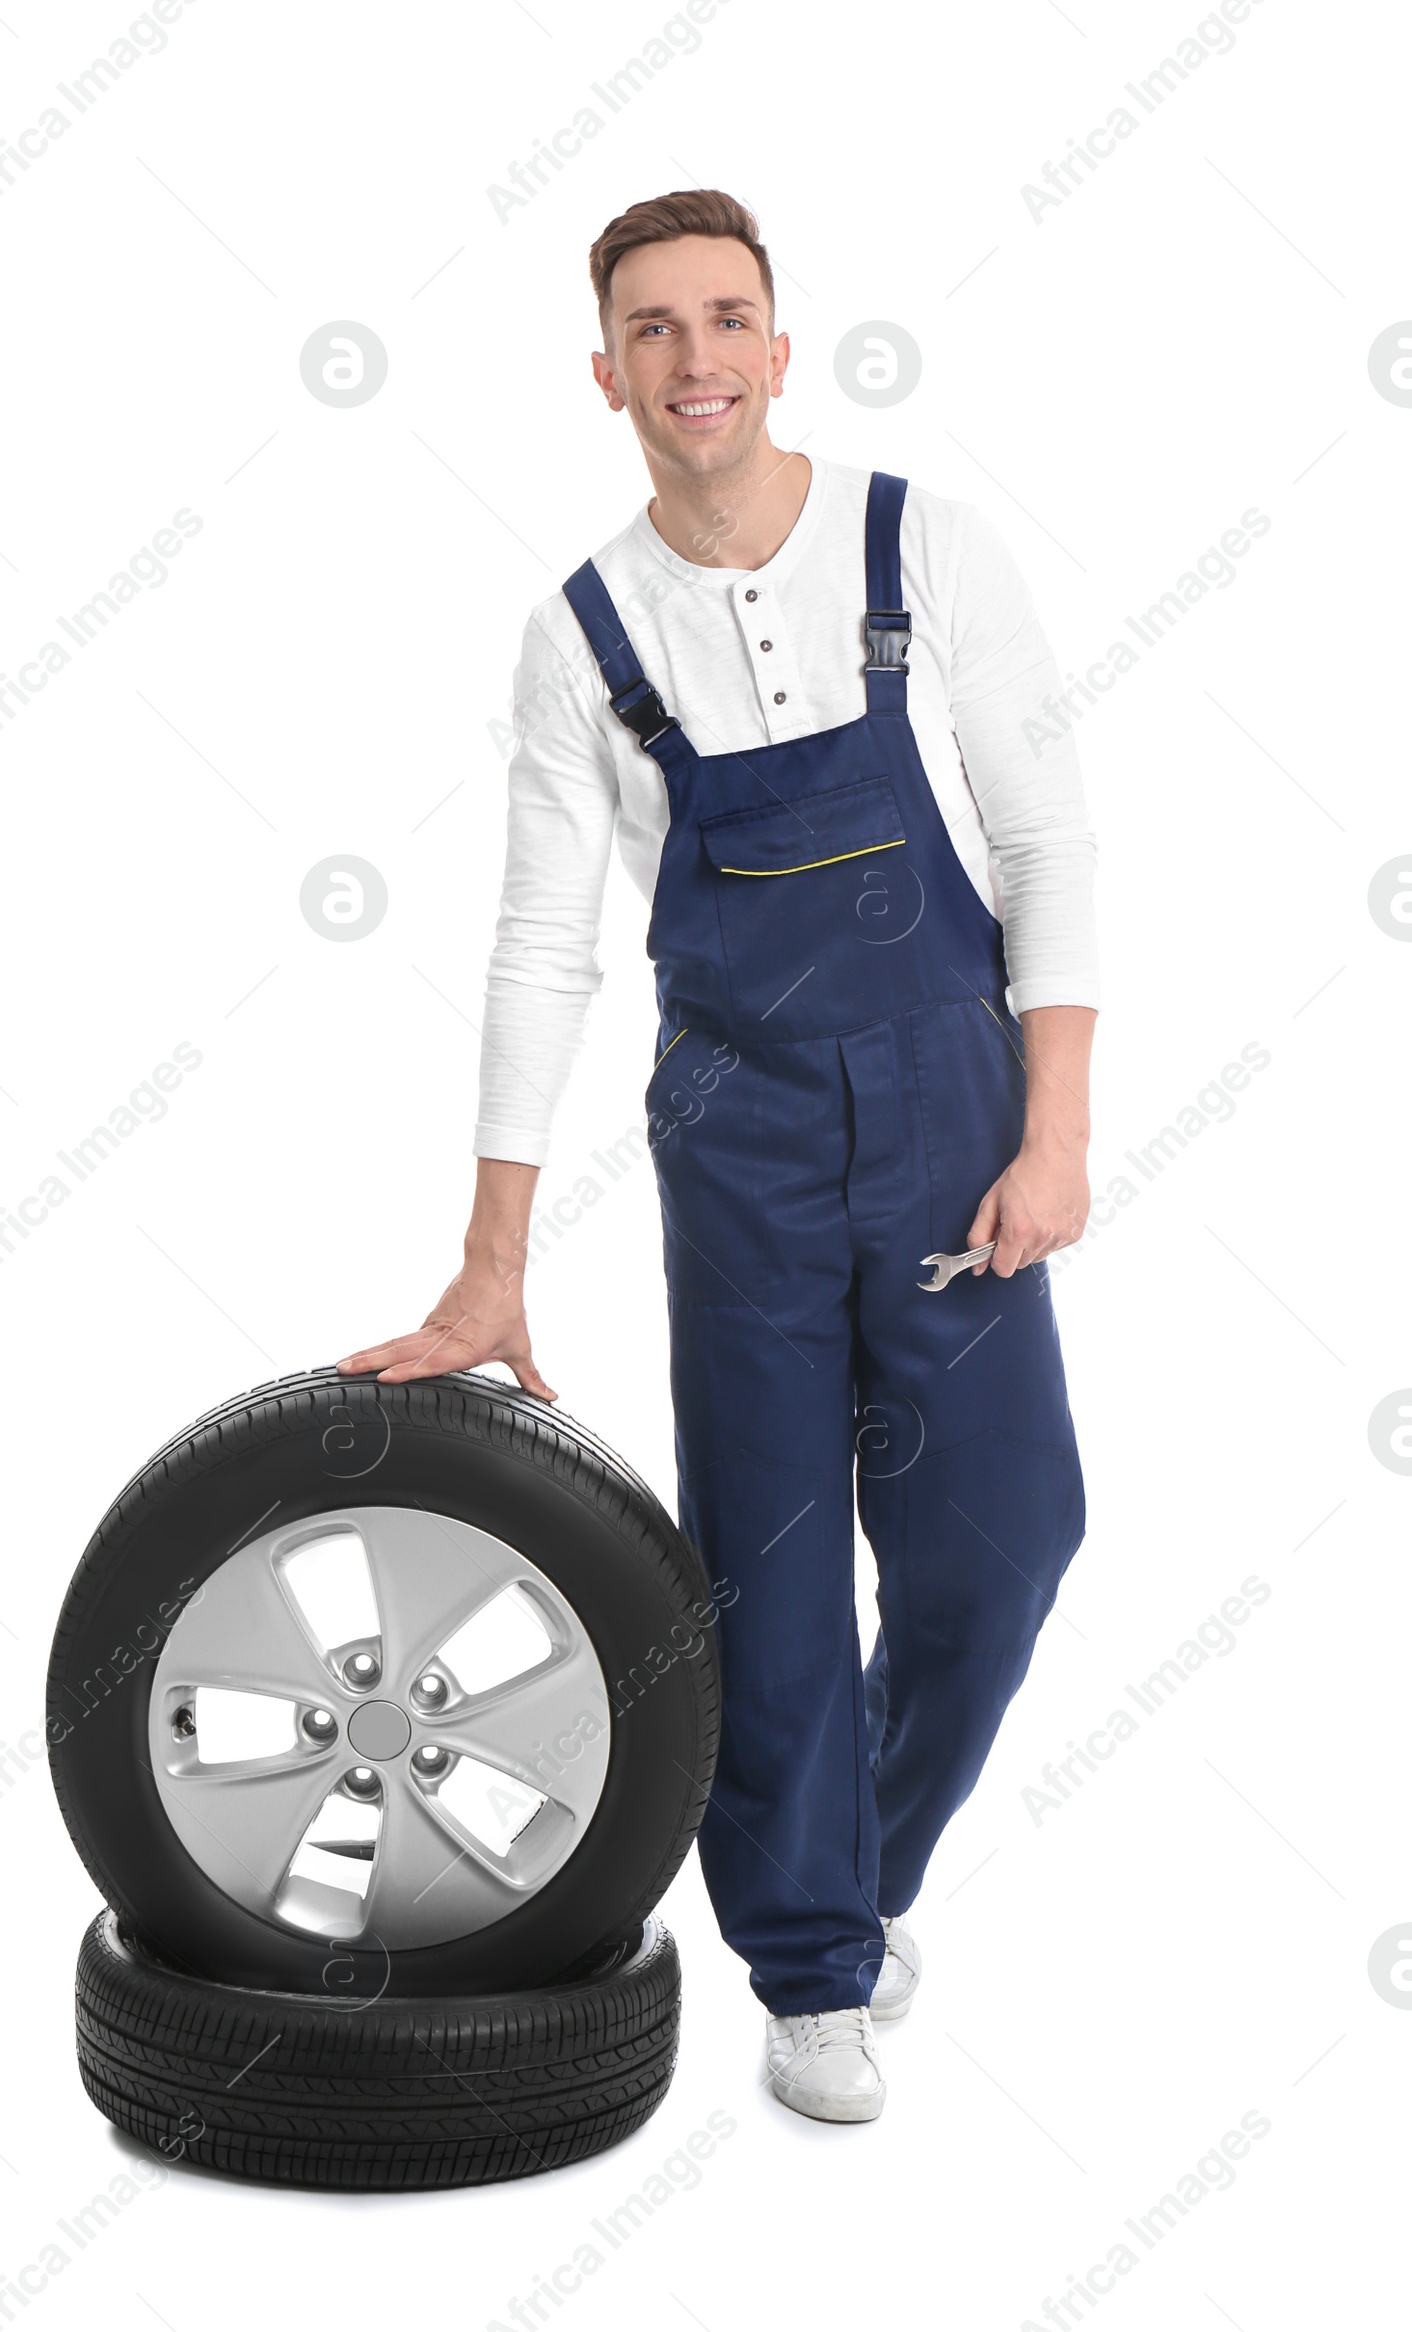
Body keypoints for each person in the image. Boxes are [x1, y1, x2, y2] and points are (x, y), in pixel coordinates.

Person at [341, 188, 1098, 2125]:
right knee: (764, 1576)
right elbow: (540, 942)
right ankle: (813, 1969)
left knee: (1001, 1541)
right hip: (739, 1143)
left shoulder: (912, 540)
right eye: (653, 329)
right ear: (605, 372)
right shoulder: (579, 632)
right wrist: (488, 1259)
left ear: (779, 343)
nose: (694, 359)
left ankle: (855, 1868)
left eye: (726, 317)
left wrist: (1055, 1127)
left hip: (948, 1117)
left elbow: (1041, 846)